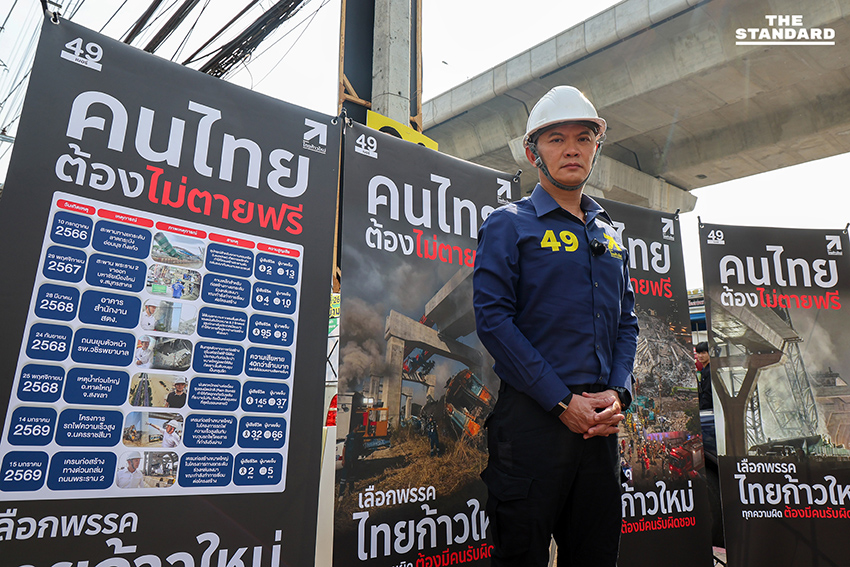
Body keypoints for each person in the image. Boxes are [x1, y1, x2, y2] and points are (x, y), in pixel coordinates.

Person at [473, 85, 639, 567]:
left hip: (600, 431)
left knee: (596, 556)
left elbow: (626, 323)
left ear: (596, 148)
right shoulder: (509, 224)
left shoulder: (608, 234)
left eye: (584, 138)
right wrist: (562, 402)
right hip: (532, 425)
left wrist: (619, 394)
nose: (572, 149)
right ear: (532, 152)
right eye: (556, 139)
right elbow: (494, 321)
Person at [695, 341, 713, 411]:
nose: (700, 356)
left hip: (708, 409)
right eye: (699, 353)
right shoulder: (704, 370)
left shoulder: (709, 371)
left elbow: (707, 394)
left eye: (704, 353)